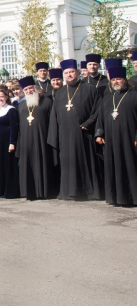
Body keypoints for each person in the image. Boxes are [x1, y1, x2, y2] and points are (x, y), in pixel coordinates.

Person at [48, 59, 103, 201]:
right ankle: (68, 192)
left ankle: (89, 192)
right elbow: (54, 115)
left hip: (83, 133)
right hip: (64, 135)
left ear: (77, 72)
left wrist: (89, 123)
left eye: (72, 72)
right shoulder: (60, 93)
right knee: (67, 163)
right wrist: (55, 135)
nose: (69, 75)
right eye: (66, 73)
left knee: (85, 161)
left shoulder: (90, 88)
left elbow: (98, 109)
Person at [94, 65, 137, 205]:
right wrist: (99, 134)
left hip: (130, 139)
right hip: (112, 141)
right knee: (114, 167)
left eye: (118, 79)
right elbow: (100, 117)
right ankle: (117, 198)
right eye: (113, 80)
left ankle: (133, 197)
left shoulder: (134, 95)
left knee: (131, 166)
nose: (116, 82)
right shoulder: (108, 98)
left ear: (125, 80)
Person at [16, 77, 56, 200]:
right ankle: (29, 192)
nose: (28, 91)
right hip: (25, 142)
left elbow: (52, 122)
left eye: (30, 88)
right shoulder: (22, 105)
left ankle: (44, 192)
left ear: (36, 88)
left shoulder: (47, 102)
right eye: (26, 89)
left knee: (42, 164)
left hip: (42, 140)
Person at [0, 85, 19, 199]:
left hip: (7, 141)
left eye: (1, 97)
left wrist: (12, 142)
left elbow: (14, 127)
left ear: (6, 97)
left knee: (7, 166)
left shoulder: (10, 110)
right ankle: (0, 190)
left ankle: (9, 191)